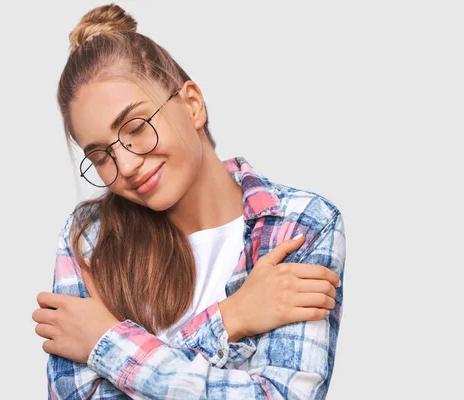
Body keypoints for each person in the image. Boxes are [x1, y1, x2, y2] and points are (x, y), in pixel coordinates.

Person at [31, 3, 346, 399]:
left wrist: (104, 342)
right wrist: (230, 319)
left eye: (136, 127)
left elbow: (279, 396)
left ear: (192, 104)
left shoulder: (300, 224)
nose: (125, 165)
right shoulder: (90, 238)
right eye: (100, 156)